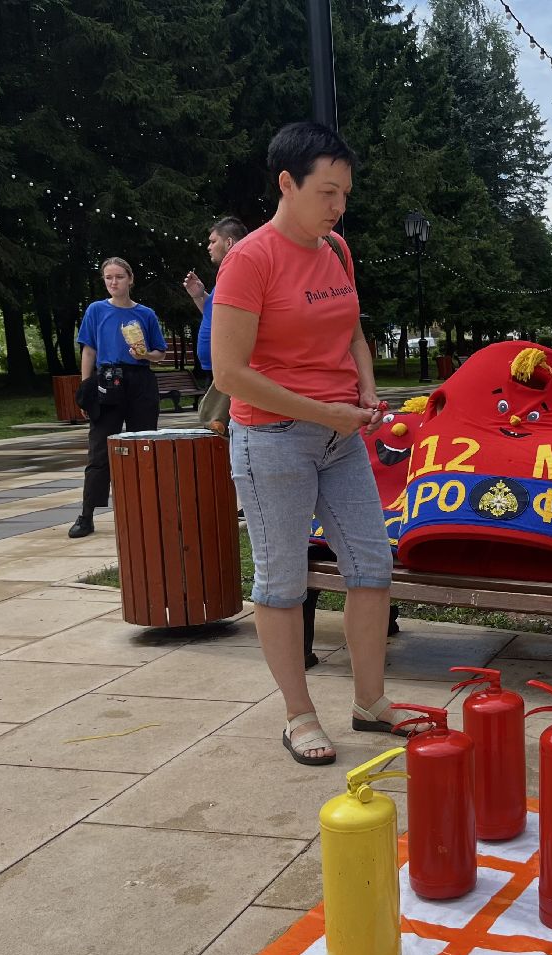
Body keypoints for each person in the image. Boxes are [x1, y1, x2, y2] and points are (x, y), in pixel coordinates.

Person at [210, 121, 405, 766]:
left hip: (342, 436)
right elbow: (230, 373)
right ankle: (299, 715)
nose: (338, 206)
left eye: (344, 193)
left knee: (372, 568)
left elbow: (352, 334)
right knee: (282, 581)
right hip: (272, 441)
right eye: (327, 192)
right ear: (286, 184)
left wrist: (367, 393)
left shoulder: (338, 252)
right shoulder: (250, 260)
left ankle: (370, 704)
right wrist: (325, 410)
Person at [69, 257, 167, 538]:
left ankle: (147, 511)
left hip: (140, 381)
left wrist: (145, 354)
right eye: (108, 277)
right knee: (100, 447)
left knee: (144, 445)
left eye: (119, 277)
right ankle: (87, 515)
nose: (114, 282)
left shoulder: (145, 314)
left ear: (130, 279)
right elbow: (89, 350)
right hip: (108, 381)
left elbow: (159, 353)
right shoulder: (96, 310)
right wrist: (86, 388)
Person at [182, 216, 248, 434]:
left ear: (228, 242)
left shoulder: (241, 270)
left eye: (213, 241)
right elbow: (216, 317)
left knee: (227, 430)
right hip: (219, 368)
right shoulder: (227, 275)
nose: (208, 247)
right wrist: (200, 297)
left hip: (230, 369)